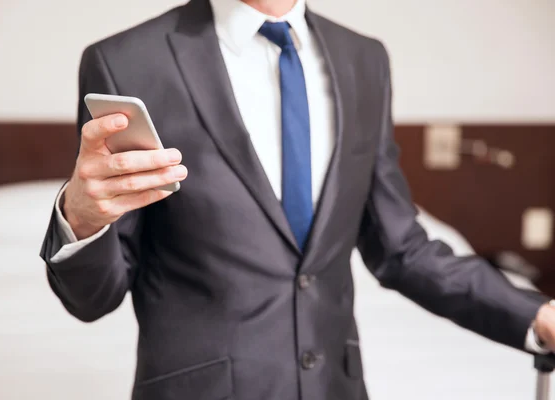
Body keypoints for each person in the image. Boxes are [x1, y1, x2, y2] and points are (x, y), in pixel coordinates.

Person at [40, 0, 555, 399]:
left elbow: (401, 248)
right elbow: (93, 298)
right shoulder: (128, 61)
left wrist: (533, 314)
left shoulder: (364, 59)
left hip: (339, 387)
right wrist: (82, 217)